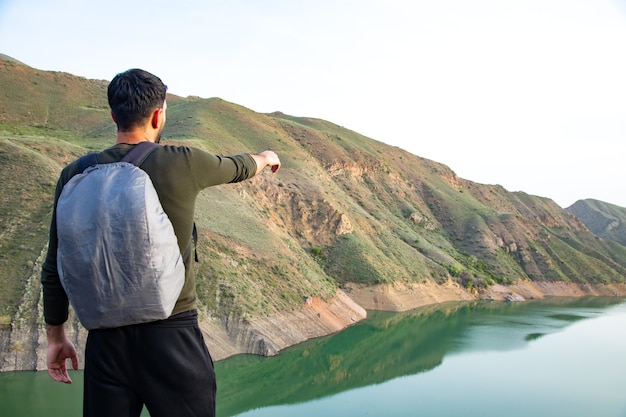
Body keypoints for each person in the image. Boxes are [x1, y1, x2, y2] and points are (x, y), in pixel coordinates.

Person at [40, 68, 281, 417]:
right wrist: (267, 157)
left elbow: (54, 266)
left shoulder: (74, 174)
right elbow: (239, 167)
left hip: (105, 342)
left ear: (113, 115)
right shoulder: (181, 161)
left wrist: (55, 337)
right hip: (172, 337)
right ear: (158, 114)